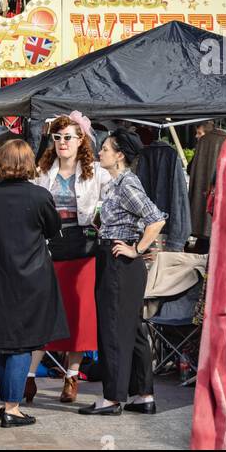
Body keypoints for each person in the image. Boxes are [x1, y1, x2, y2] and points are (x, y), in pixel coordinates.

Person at [0, 138, 68, 428]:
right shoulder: (39, 196)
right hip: (32, 276)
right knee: (21, 344)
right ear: (28, 164)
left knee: (3, 343)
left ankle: (8, 404)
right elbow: (53, 228)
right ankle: (12, 408)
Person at [79, 129, 167, 418]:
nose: (100, 152)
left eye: (105, 149)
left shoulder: (127, 184)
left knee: (114, 328)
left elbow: (155, 219)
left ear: (119, 155)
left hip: (119, 261)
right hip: (118, 260)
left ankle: (112, 398)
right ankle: (144, 395)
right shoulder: (118, 183)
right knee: (132, 329)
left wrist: (136, 249)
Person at [28, 111, 111, 404]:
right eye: (57, 137)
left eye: (68, 137)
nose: (62, 142)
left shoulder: (97, 173)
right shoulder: (41, 172)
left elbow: (113, 202)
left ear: (81, 141)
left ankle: (71, 377)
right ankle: (29, 376)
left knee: (79, 314)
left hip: (82, 251)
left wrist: (101, 220)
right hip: (48, 249)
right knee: (45, 312)